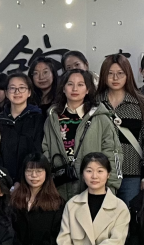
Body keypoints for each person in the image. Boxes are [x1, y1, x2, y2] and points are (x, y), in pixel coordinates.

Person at [41, 68, 121, 199]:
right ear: (63, 88)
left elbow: (113, 153)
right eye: (70, 84)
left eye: (80, 84)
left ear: (88, 89)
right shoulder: (52, 118)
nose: (75, 89)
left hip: (93, 188)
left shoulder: (100, 118)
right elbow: (46, 151)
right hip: (58, 189)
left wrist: (111, 187)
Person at [97, 53, 144, 205]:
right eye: (110, 73)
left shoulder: (142, 104)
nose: (115, 78)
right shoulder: (94, 103)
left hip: (132, 173)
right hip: (99, 172)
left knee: (129, 214)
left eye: (120, 73)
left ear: (128, 75)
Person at [0, 73, 44, 184]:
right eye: (12, 88)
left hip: (30, 180)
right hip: (2, 181)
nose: (17, 92)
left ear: (29, 92)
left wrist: (21, 181)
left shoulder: (38, 119)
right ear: (6, 93)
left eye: (22, 88)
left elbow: (37, 152)